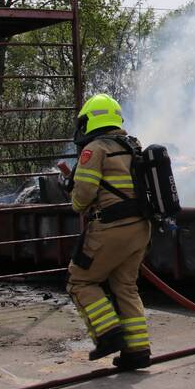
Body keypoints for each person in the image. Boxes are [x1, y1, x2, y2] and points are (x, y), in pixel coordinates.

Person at [65, 93, 152, 370]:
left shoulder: (95, 149)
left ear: (90, 120)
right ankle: (136, 351)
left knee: (80, 281)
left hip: (111, 228)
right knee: (125, 286)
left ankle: (107, 333)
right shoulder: (133, 146)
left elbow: (84, 196)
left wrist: (74, 196)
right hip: (141, 228)